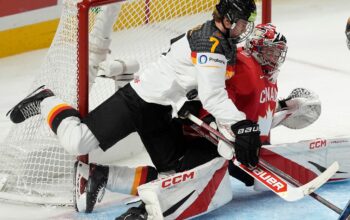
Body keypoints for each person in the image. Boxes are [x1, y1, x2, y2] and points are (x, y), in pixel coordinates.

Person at [7, 0, 259, 218]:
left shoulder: (216, 36)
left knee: (172, 177)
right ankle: (45, 99)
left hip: (159, 108)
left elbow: (181, 63)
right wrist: (240, 123)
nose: (245, 28)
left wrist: (186, 95)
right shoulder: (211, 44)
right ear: (227, 19)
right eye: (242, 23)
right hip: (138, 99)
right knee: (77, 142)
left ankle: (100, 177)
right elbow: (212, 95)